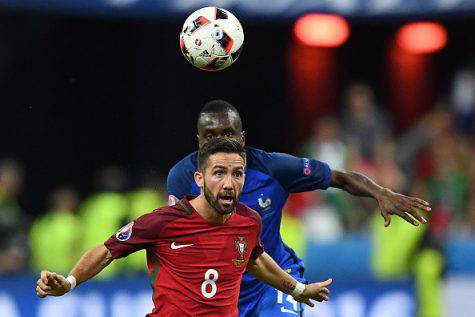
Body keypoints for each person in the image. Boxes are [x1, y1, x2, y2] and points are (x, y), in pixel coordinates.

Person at [167, 99, 431, 317]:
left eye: (227, 133)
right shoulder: (181, 178)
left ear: (242, 137)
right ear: (199, 141)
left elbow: (339, 177)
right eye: (210, 136)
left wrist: (381, 193)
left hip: (275, 279)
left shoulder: (276, 169)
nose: (219, 141)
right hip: (221, 287)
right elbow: (173, 242)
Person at [36, 138, 333, 317]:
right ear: (199, 179)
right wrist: (70, 282)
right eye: (219, 173)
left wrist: (297, 289)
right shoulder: (164, 222)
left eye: (237, 174)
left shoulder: (248, 222)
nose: (229, 183)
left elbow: (254, 259)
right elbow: (107, 251)